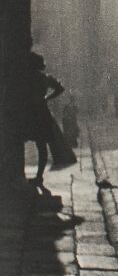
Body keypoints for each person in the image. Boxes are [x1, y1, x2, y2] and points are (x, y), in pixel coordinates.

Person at [24, 53, 65, 186]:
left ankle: (33, 176)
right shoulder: (44, 79)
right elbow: (60, 88)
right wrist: (47, 98)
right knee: (42, 146)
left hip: (30, 113)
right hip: (41, 112)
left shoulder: (26, 79)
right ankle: (39, 176)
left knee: (23, 142)